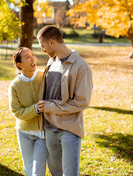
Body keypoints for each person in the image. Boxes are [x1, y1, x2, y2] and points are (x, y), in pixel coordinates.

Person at [36, 25, 93, 176]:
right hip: (49, 128)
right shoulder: (51, 62)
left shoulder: (81, 67)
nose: (42, 50)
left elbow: (82, 102)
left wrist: (50, 107)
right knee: (55, 172)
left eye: (43, 46)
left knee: (70, 173)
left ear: (52, 42)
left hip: (68, 130)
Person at [8, 47, 47, 176]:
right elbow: (17, 112)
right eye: (27, 57)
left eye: (32, 55)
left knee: (38, 171)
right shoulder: (15, 85)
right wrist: (35, 109)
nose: (32, 59)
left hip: (42, 132)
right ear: (19, 64)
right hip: (24, 132)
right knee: (28, 168)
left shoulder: (44, 76)